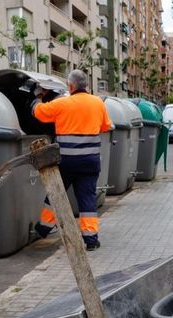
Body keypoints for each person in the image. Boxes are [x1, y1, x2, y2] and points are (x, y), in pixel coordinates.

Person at [32, 70, 112, 251]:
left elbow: (39, 113)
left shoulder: (62, 103)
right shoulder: (98, 103)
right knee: (87, 200)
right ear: (86, 85)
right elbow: (105, 126)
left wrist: (38, 97)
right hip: (90, 162)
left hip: (66, 162)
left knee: (56, 192)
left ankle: (44, 228)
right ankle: (91, 240)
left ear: (70, 86)